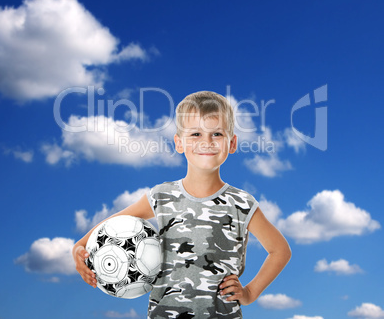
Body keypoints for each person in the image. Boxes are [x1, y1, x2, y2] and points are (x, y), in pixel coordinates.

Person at [73, 90, 291, 318]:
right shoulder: (161, 196)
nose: (206, 142)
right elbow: (111, 226)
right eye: (196, 134)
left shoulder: (241, 203)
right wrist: (78, 248)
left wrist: (249, 292)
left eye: (216, 134)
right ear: (179, 143)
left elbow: (280, 251)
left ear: (232, 143)